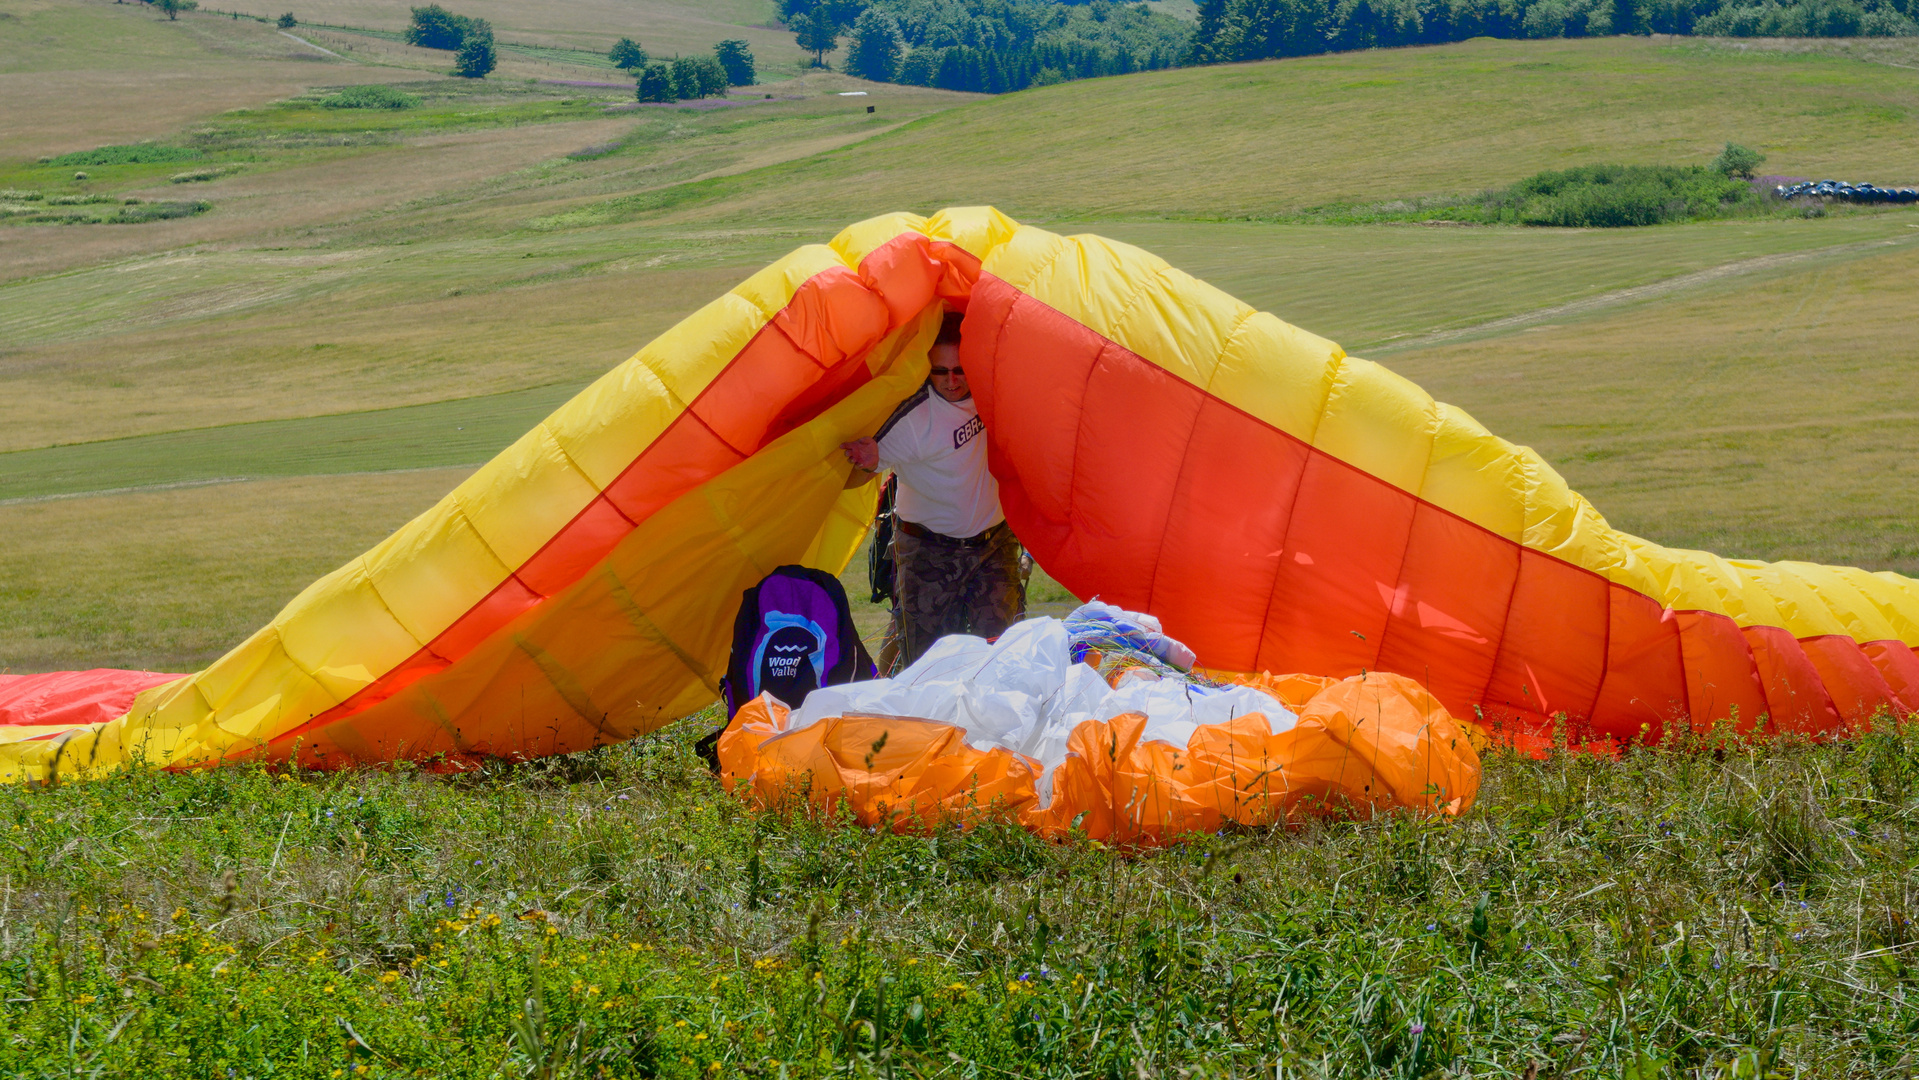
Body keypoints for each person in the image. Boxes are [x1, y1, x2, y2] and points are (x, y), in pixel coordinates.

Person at [841, 313, 1024, 669]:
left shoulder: (993, 390)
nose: (952, 381)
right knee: (926, 664)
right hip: (929, 553)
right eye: (940, 371)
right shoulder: (911, 419)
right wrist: (864, 461)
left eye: (960, 369)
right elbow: (855, 476)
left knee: (1003, 655)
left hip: (993, 545)